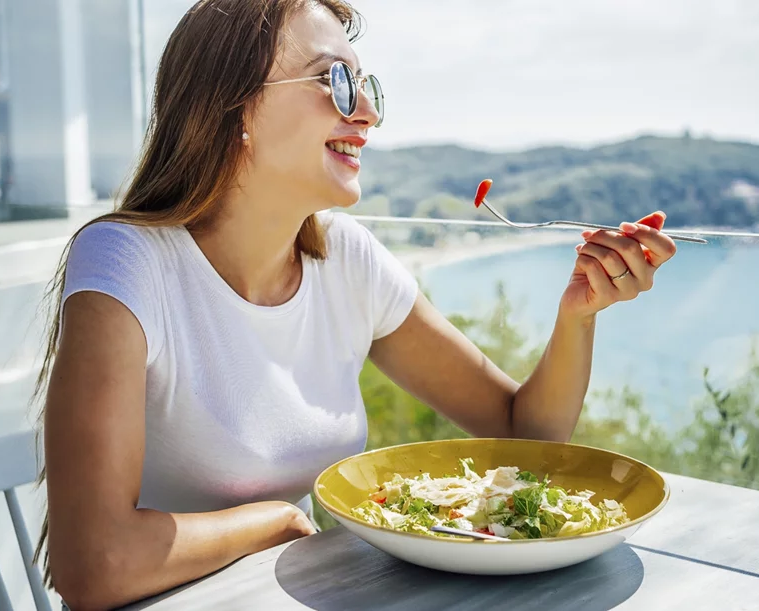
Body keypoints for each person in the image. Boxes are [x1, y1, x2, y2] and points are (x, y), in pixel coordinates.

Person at [36, 1, 677, 609]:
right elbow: (92, 565)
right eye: (335, 81)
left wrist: (578, 315)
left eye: (366, 84)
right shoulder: (125, 263)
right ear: (235, 110)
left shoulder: (348, 261)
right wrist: (278, 521)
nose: (367, 112)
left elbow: (524, 434)